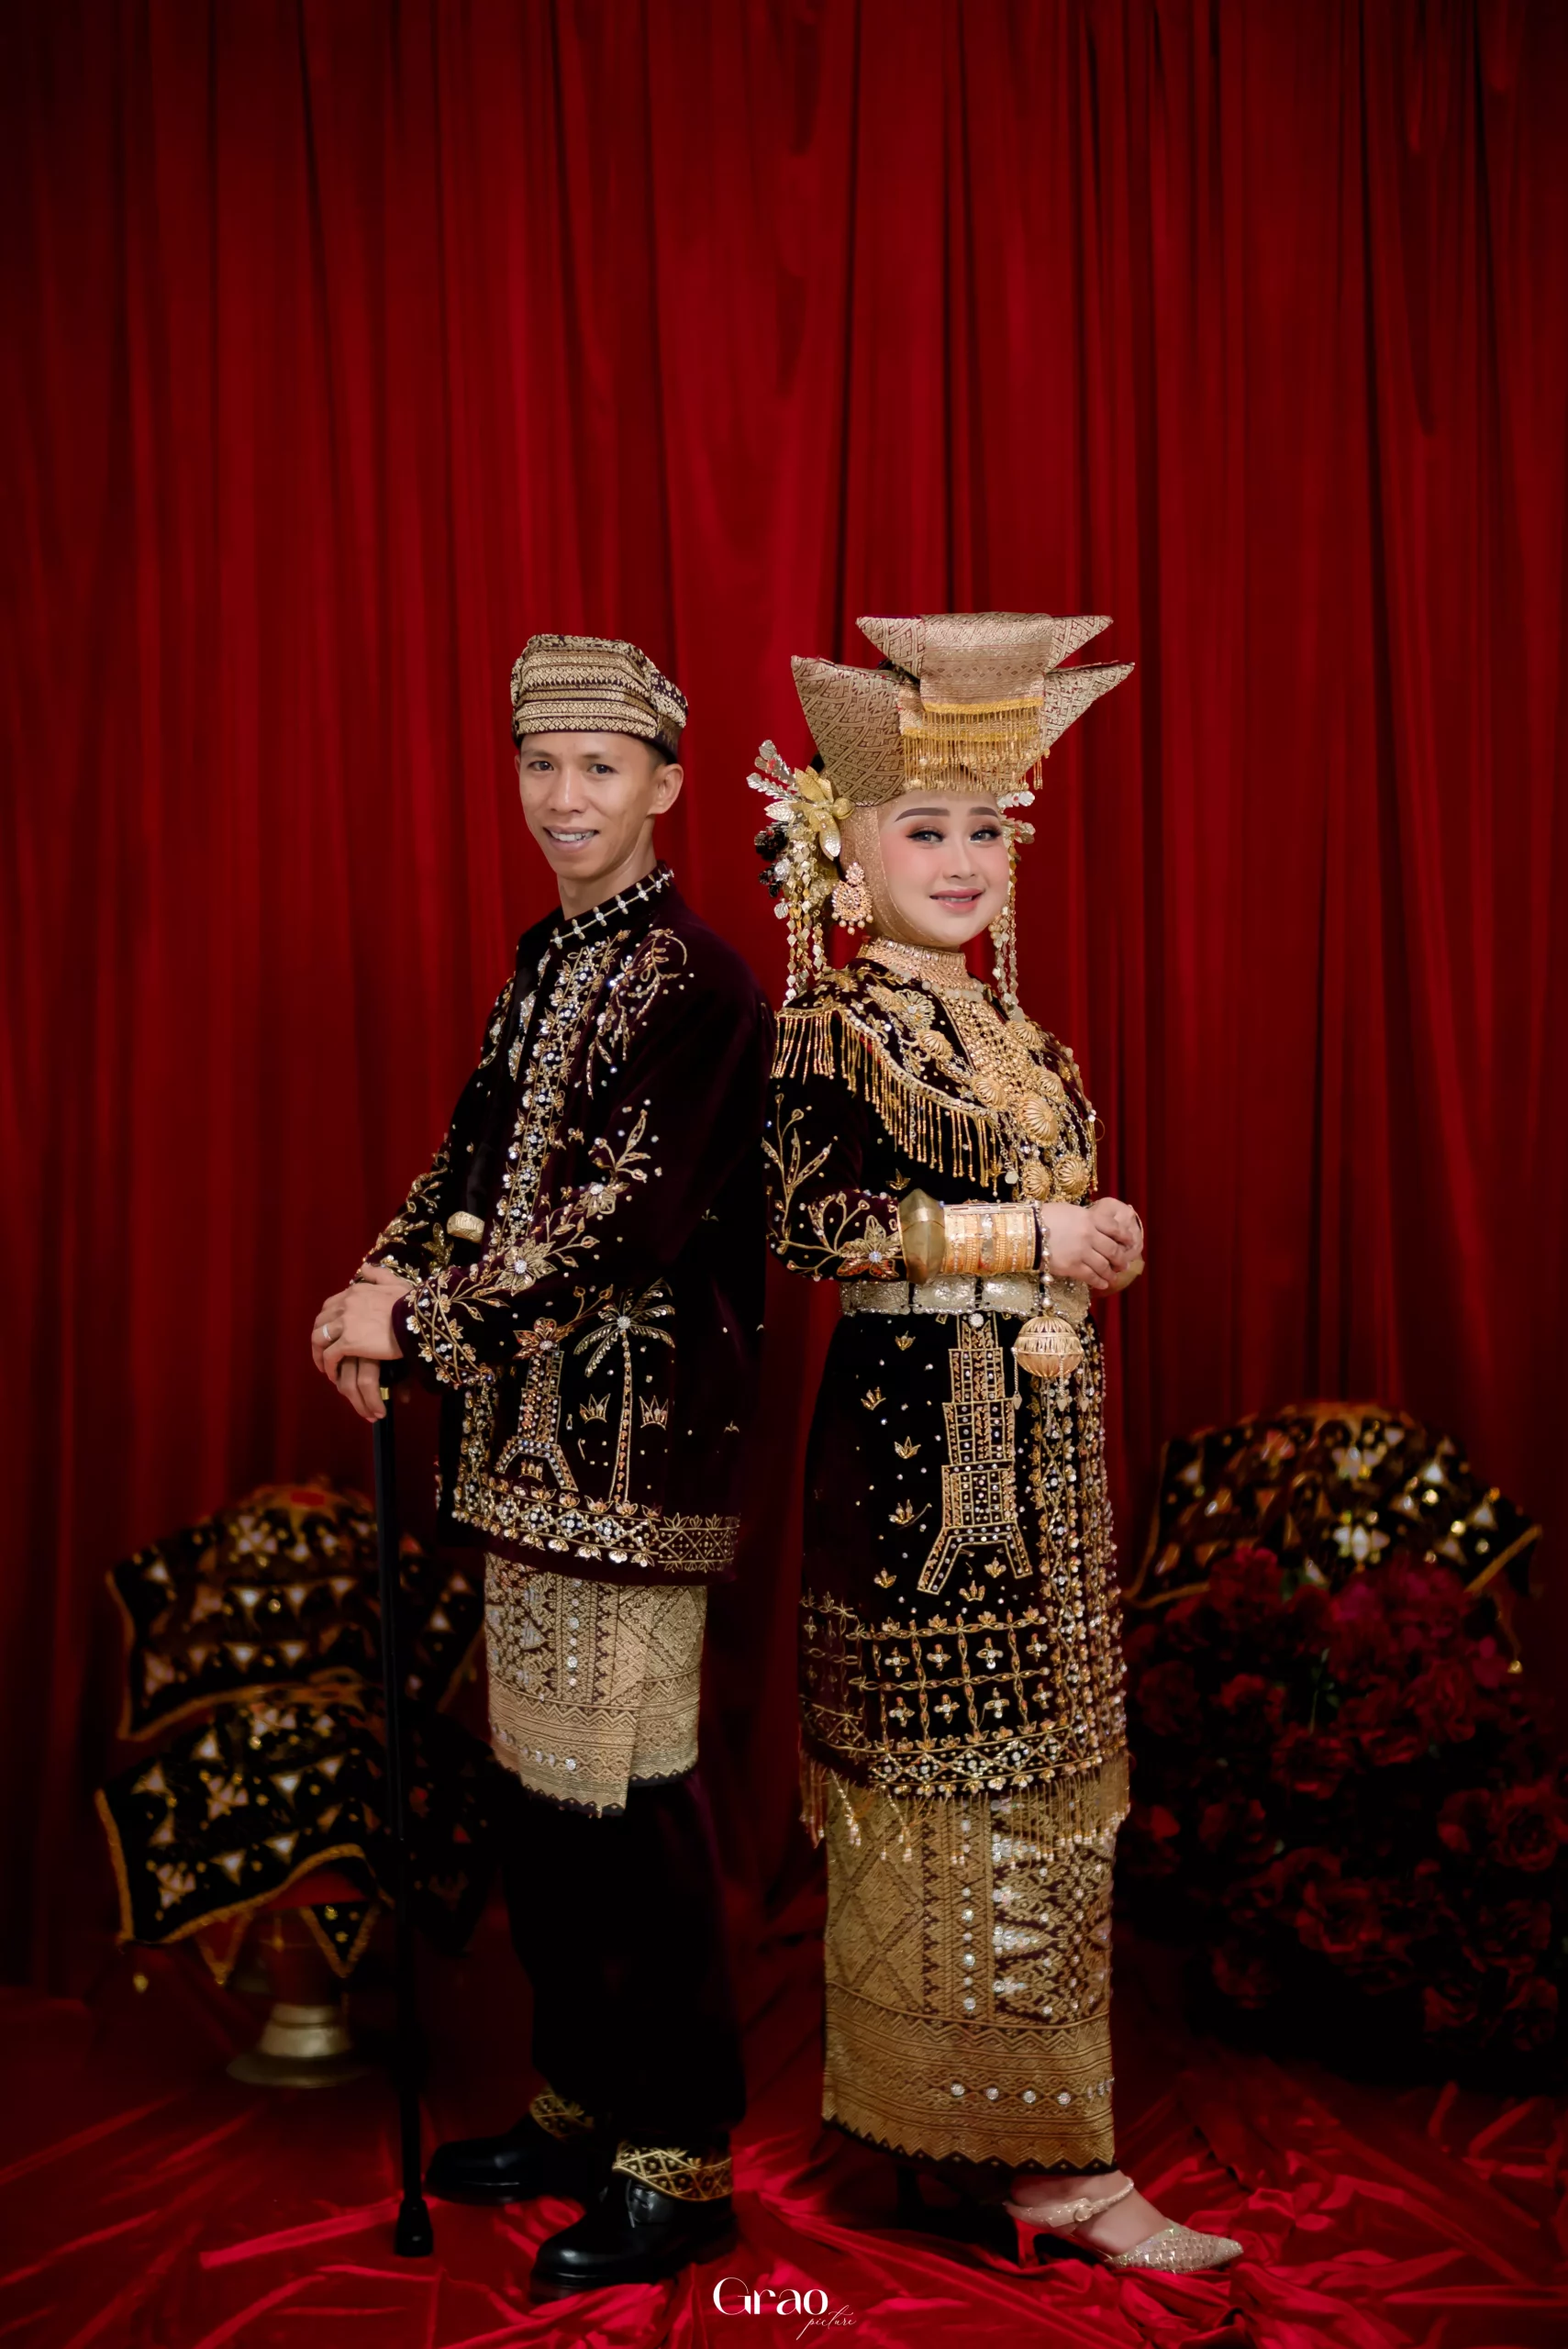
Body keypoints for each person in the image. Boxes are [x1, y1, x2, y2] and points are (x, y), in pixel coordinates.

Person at [754, 611, 1241, 2274]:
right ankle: (1030, 2166)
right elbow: (811, 1225)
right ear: (850, 848)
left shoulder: (1026, 1040)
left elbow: (1048, 1216)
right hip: (915, 1463)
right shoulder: (841, 1025)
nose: (962, 860)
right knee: (957, 1780)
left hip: (1040, 1454)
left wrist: (1098, 1247)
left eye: (986, 828)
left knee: (1044, 1782)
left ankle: (1012, 2144)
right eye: (924, 828)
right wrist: (1033, 1242)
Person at [312, 634, 772, 2294]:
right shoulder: (544, 964)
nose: (564, 796)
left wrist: (421, 1322)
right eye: (540, 764)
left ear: (666, 785)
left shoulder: (699, 984)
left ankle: (679, 2154)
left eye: (600, 766)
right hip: (516, 1448)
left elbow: (617, 1229)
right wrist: (371, 1291)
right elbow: (469, 1167)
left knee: (632, 1804)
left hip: (634, 1453)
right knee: (544, 1803)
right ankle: (581, 2104)